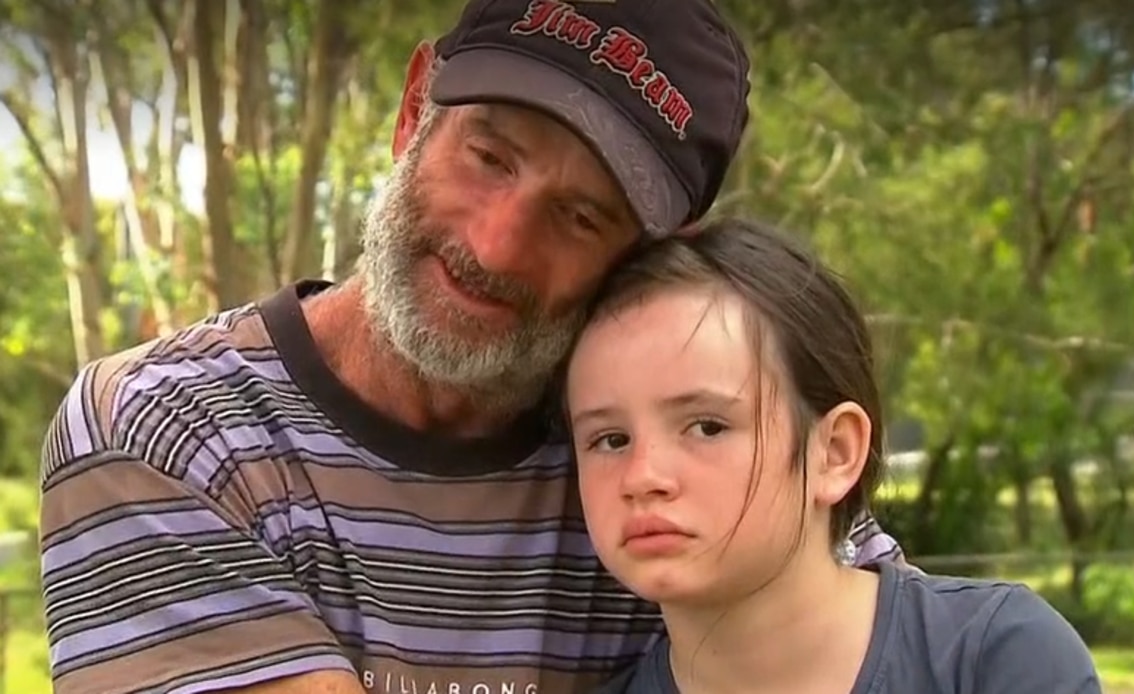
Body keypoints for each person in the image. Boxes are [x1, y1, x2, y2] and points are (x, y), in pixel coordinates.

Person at [37, 2, 905, 694]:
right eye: (489, 157)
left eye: (580, 215)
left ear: (650, 255)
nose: (494, 247)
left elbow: (891, 650)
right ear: (415, 106)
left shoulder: (672, 446)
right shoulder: (161, 427)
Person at [563, 217, 1103, 693]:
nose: (643, 476)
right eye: (610, 440)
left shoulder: (994, 660)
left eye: (707, 426)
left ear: (835, 452)